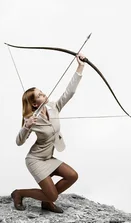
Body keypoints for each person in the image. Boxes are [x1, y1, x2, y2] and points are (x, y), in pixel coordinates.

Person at [11, 53, 85, 213]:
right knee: (52, 196)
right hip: (35, 160)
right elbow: (19, 141)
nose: (44, 95)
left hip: (48, 158)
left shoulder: (53, 107)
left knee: (72, 176)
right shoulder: (31, 118)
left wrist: (80, 67)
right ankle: (19, 193)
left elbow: (69, 93)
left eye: (42, 92)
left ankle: (46, 201)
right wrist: (26, 126)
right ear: (34, 103)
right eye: (40, 95)